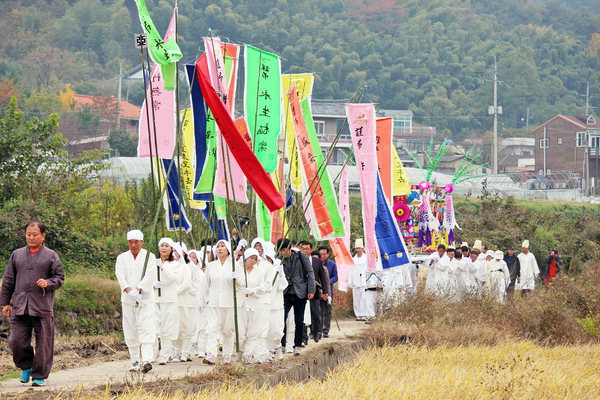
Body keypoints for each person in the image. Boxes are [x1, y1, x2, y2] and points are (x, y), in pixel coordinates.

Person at [1, 222, 65, 386]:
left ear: (43, 236)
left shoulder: (51, 255)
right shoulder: (17, 255)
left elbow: (59, 278)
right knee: (16, 341)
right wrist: (5, 303)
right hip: (20, 305)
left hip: (42, 306)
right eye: (28, 234)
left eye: (35, 234)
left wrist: (48, 282)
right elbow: (8, 280)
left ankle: (39, 375)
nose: (31, 237)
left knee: (44, 343)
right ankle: (26, 367)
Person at [115, 230, 157, 373]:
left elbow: (150, 274)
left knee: (146, 328)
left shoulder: (149, 257)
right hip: (128, 299)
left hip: (145, 298)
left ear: (141, 242)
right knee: (130, 329)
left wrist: (138, 289)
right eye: (130, 242)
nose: (133, 245)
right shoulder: (121, 258)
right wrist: (128, 290)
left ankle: (146, 359)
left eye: (136, 242)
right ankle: (135, 361)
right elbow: (119, 274)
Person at [201, 239, 237, 364]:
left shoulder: (234, 265)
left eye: (223, 246)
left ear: (228, 250)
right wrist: (204, 300)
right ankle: (211, 355)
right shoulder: (211, 266)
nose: (220, 249)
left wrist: (236, 279)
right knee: (212, 329)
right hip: (214, 302)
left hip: (230, 303)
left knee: (228, 330)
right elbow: (205, 284)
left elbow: (242, 285)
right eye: (218, 247)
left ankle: (227, 355)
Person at [278, 238, 315, 356]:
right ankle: (282, 344)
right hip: (286, 293)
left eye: (284, 250)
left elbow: (310, 273)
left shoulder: (300, 256)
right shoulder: (278, 260)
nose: (282, 253)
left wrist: (311, 290)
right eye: (280, 251)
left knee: (299, 321)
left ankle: (297, 345)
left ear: (290, 248)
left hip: (300, 292)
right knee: (281, 318)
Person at [236, 248, 269, 363]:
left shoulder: (258, 273)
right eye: (251, 258)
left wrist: (253, 290)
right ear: (245, 258)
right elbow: (236, 285)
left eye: (255, 259)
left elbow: (263, 287)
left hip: (254, 304)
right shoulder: (239, 271)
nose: (253, 261)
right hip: (241, 304)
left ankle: (248, 354)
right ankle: (240, 350)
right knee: (240, 330)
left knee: (253, 330)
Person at [153, 238, 181, 364]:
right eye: (162, 245)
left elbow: (173, 278)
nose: (164, 248)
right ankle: (152, 354)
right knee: (153, 327)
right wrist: (154, 284)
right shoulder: (153, 263)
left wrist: (163, 268)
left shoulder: (175, 264)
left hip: (169, 299)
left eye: (166, 246)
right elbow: (147, 277)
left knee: (167, 328)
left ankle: (164, 355)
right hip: (155, 299)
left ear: (171, 249)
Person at [173, 243, 200, 362]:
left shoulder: (191, 267)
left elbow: (195, 284)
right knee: (177, 327)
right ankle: (176, 351)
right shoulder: (171, 266)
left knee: (189, 327)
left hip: (189, 301)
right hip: (176, 301)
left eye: (176, 251)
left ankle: (185, 352)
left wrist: (183, 290)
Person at [263, 248, 287, 360]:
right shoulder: (260, 270)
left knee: (276, 330)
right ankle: (266, 352)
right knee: (264, 330)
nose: (267, 261)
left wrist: (280, 274)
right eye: (265, 258)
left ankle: (277, 347)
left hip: (276, 306)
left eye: (269, 259)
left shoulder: (277, 269)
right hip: (263, 305)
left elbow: (283, 286)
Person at [310, 250, 330, 342]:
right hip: (303, 292)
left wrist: (326, 292)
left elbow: (324, 279)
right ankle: (306, 336)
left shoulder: (319, 264)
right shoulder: (301, 260)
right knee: (306, 314)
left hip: (316, 291)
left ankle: (317, 331)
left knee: (317, 313)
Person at [318, 246, 337, 338]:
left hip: (329, 291)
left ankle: (325, 330)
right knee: (318, 311)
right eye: (320, 254)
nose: (322, 256)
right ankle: (318, 329)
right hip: (318, 291)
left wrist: (327, 282)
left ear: (327, 254)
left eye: (324, 254)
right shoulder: (316, 263)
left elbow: (336, 276)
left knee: (327, 311)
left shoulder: (332, 264)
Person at [349, 238, 368, 321]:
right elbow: (350, 271)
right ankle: (358, 314)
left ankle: (364, 314)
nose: (358, 250)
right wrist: (350, 281)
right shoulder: (353, 259)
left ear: (362, 249)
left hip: (364, 281)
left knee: (364, 298)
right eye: (357, 248)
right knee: (356, 299)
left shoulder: (366, 258)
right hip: (356, 281)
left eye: (359, 248)